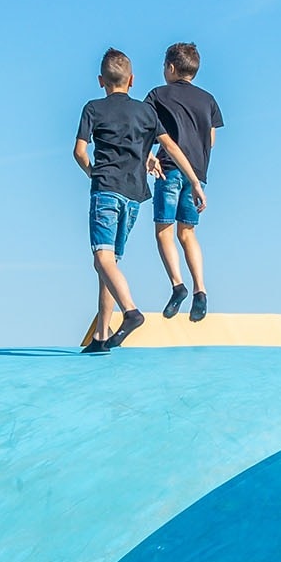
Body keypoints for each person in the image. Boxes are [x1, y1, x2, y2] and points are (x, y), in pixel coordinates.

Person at [75, 49, 204, 352]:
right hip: (134, 198)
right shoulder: (146, 113)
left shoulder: (93, 108)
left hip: (106, 190)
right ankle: (102, 335)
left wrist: (92, 173)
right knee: (109, 263)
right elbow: (170, 146)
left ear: (100, 81)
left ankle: (131, 312)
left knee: (101, 258)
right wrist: (195, 182)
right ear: (131, 80)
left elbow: (79, 152)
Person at [144, 41, 223, 321]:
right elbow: (211, 139)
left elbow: (146, 131)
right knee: (188, 232)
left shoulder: (157, 95)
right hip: (197, 174)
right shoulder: (208, 99)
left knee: (164, 229)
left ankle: (178, 285)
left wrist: (150, 156)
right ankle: (201, 290)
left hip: (169, 168)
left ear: (170, 67)